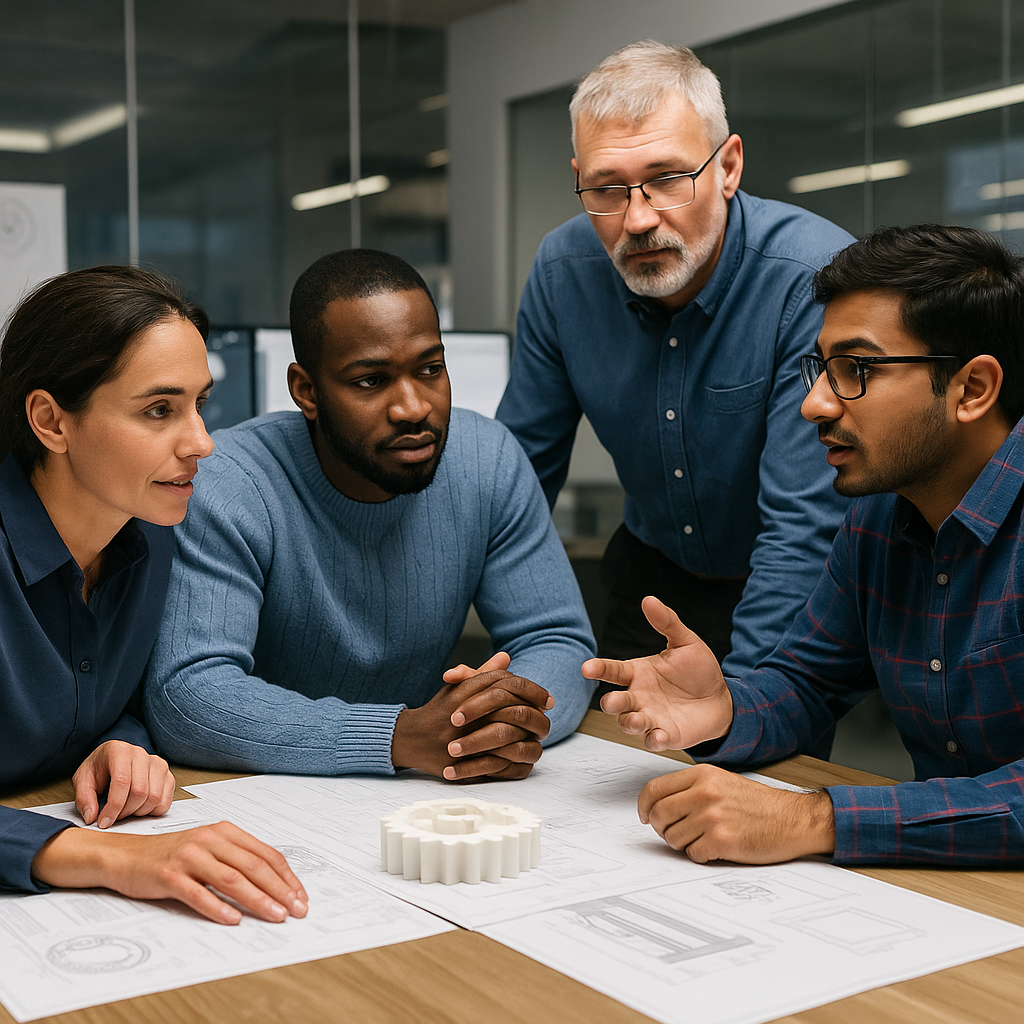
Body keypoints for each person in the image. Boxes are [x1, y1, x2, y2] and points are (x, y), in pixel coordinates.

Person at [585, 223, 1024, 867]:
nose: (814, 404)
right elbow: (807, 683)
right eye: (820, 369)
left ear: (973, 389)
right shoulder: (879, 516)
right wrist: (724, 710)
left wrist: (816, 818)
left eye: (857, 370)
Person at [144, 249, 595, 780]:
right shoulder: (229, 484)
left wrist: (497, 722)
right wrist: (396, 737)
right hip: (265, 793)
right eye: (370, 381)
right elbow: (189, 696)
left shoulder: (489, 460)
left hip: (426, 791)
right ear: (306, 392)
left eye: (431, 369)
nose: (413, 407)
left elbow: (556, 641)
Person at [497, 40, 853, 677]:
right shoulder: (563, 272)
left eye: (667, 180)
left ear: (729, 166)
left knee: (749, 766)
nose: (637, 220)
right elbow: (517, 476)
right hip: (651, 580)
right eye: (605, 188)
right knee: (613, 769)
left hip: (792, 578)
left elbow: (802, 528)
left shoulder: (811, 278)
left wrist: (746, 707)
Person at [0, 266, 308, 924]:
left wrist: (122, 740)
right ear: (51, 421)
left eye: (200, 404)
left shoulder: (152, 533)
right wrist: (111, 859)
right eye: (159, 410)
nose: (201, 443)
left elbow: (103, 692)